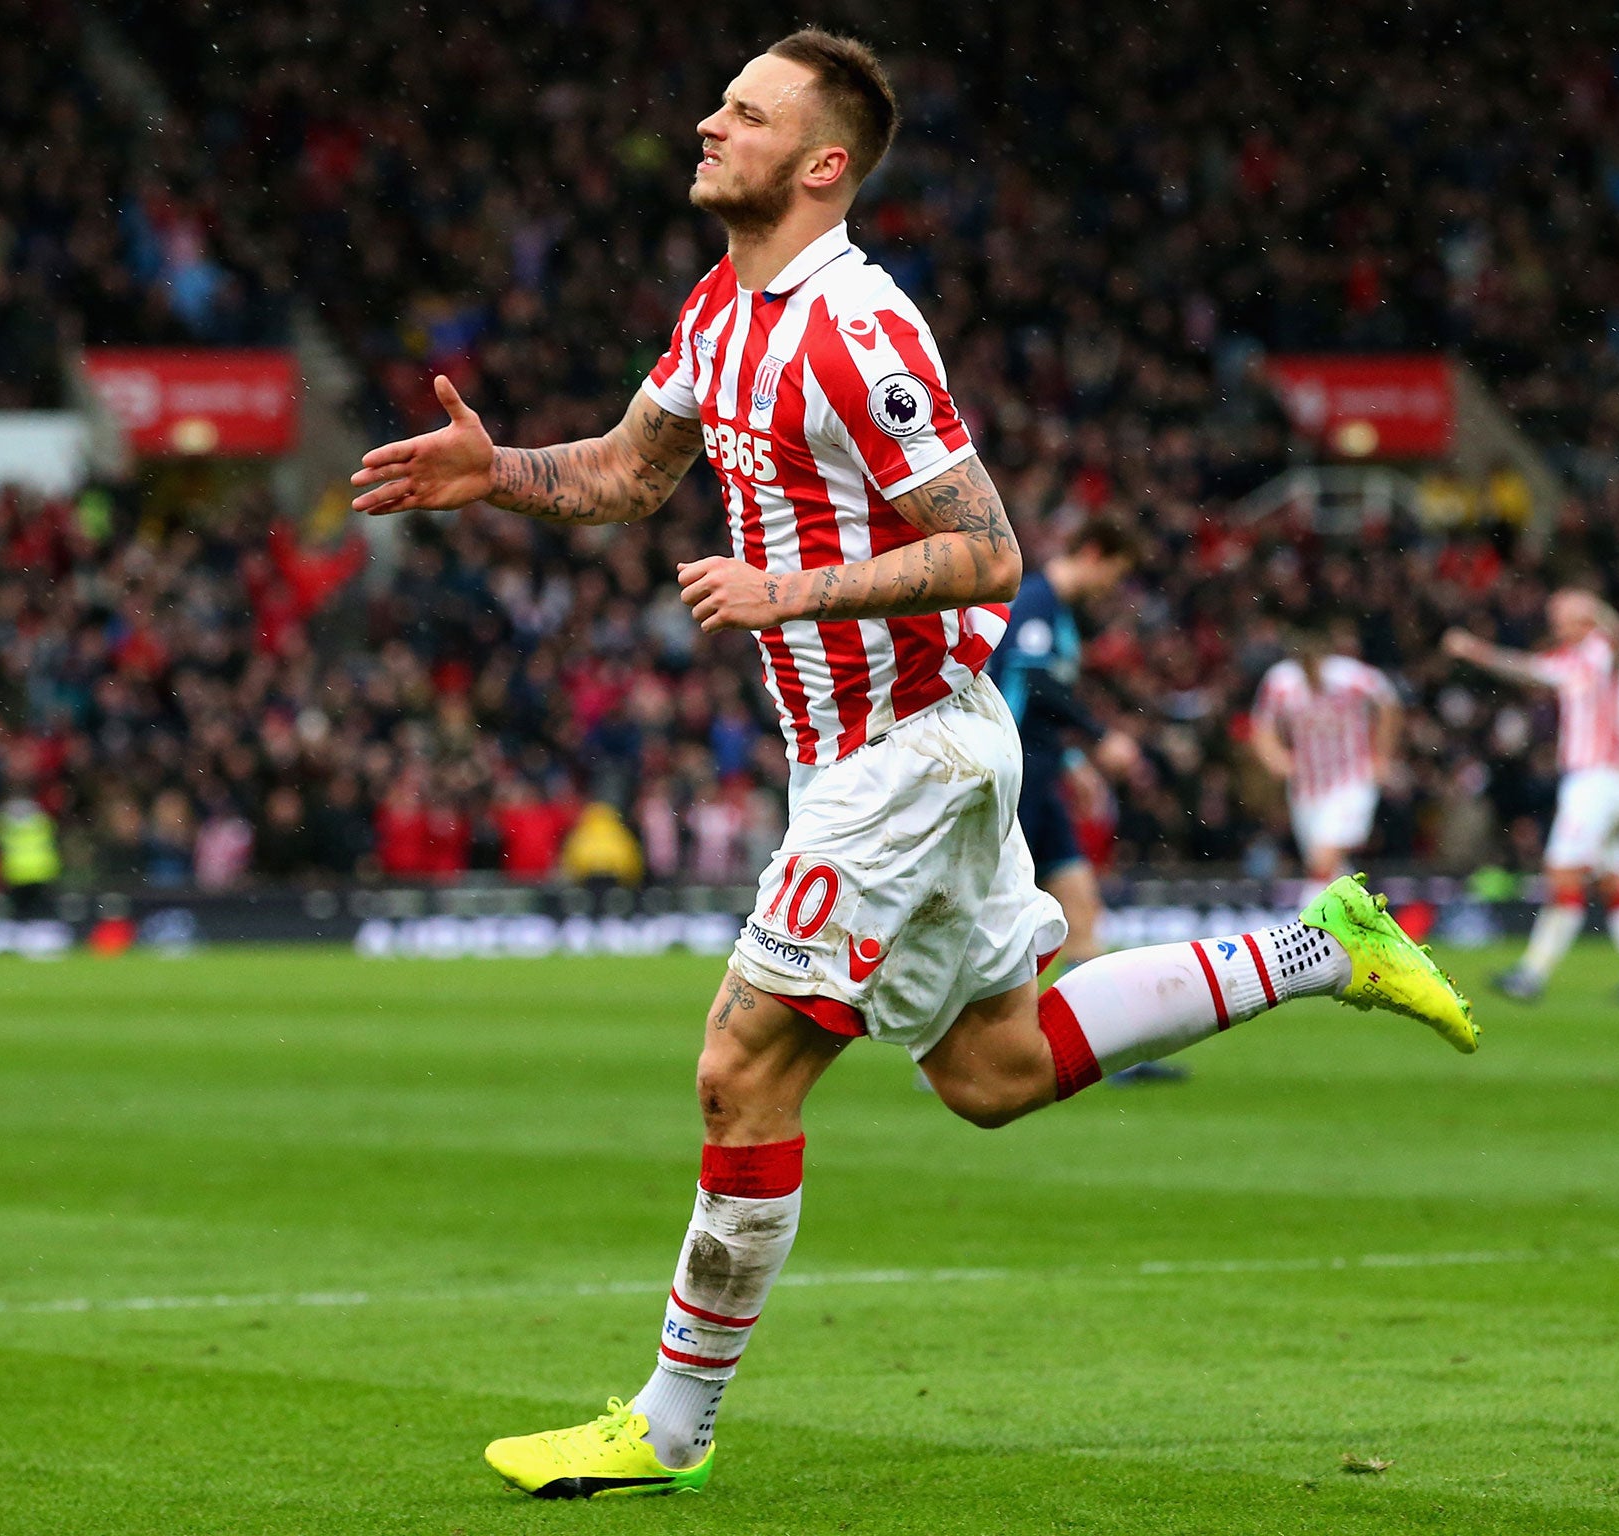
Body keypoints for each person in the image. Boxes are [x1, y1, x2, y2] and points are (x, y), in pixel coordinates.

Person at [351, 28, 1476, 1501]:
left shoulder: (857, 330)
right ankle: (1316, 947)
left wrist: (788, 593)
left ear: (822, 165)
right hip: (870, 758)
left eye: (742, 113)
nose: (705, 123)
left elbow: (990, 548)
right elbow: (633, 472)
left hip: (912, 754)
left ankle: (667, 1427)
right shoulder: (717, 310)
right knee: (992, 1073)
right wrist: (495, 474)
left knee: (741, 1067)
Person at [989, 517, 1183, 1085]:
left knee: (1082, 909)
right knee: (999, 918)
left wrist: (1073, 764)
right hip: (1014, 781)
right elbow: (1033, 686)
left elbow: (1035, 700)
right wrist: (1101, 738)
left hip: (1043, 777)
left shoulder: (1058, 613)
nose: (1111, 589)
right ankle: (957, 1053)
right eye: (1114, 574)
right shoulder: (1035, 601)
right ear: (1095, 551)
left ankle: (1108, 1050)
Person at [1443, 588, 1619, 1001]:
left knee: (1563, 873)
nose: (1558, 626)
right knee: (1617, 882)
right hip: (1613, 783)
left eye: (1564, 617)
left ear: (1588, 619)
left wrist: (1595, 610)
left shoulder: (1606, 651)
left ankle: (1532, 973)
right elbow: (1528, 669)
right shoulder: (1575, 661)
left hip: (1595, 783)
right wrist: (1476, 651)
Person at [1250, 620, 1401, 895]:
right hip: (1307, 788)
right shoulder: (1281, 681)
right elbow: (1262, 724)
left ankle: (1305, 925)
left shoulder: (1349, 676)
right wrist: (1274, 756)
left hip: (1351, 781)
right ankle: (1352, 925)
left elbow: (1389, 702)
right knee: (1331, 869)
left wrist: (1382, 756)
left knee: (1323, 858)